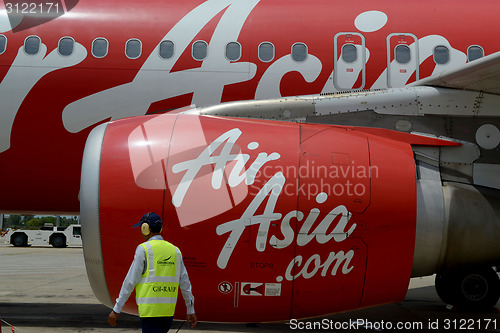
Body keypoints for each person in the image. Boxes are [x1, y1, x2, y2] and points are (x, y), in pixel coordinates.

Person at [108, 212, 197, 332]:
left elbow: (130, 281)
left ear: (146, 228)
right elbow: (185, 283)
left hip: (150, 312)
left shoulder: (144, 249)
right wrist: (190, 310)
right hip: (168, 313)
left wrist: (116, 309)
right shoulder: (175, 251)